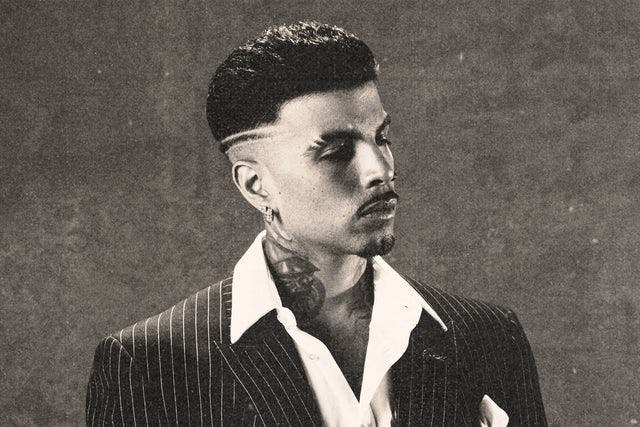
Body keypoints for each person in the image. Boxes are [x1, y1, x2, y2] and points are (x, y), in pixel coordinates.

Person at [85, 21, 547, 426]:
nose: (380, 169)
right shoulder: (153, 364)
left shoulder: (486, 336)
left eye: (381, 137)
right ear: (255, 185)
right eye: (336, 151)